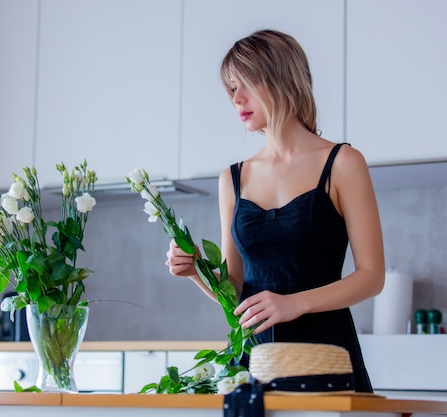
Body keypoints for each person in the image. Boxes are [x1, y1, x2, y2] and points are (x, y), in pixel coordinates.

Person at [165, 29, 385, 393]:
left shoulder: (343, 163)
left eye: (245, 83)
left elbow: (372, 276)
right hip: (254, 360)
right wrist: (194, 270)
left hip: (325, 357)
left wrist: (294, 304)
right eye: (231, 88)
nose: (237, 98)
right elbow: (234, 288)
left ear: (283, 79)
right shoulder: (231, 179)